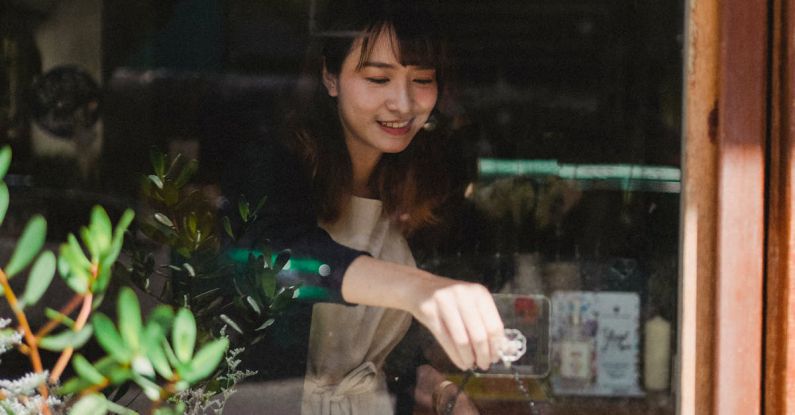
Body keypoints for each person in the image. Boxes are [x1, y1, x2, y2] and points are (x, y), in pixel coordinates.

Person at [235, 3, 506, 414]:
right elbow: (272, 259)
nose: (403, 102)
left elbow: (376, 358)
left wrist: (439, 389)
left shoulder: (416, 186)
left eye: (422, 79)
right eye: (378, 78)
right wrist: (418, 289)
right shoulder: (274, 167)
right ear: (330, 76)